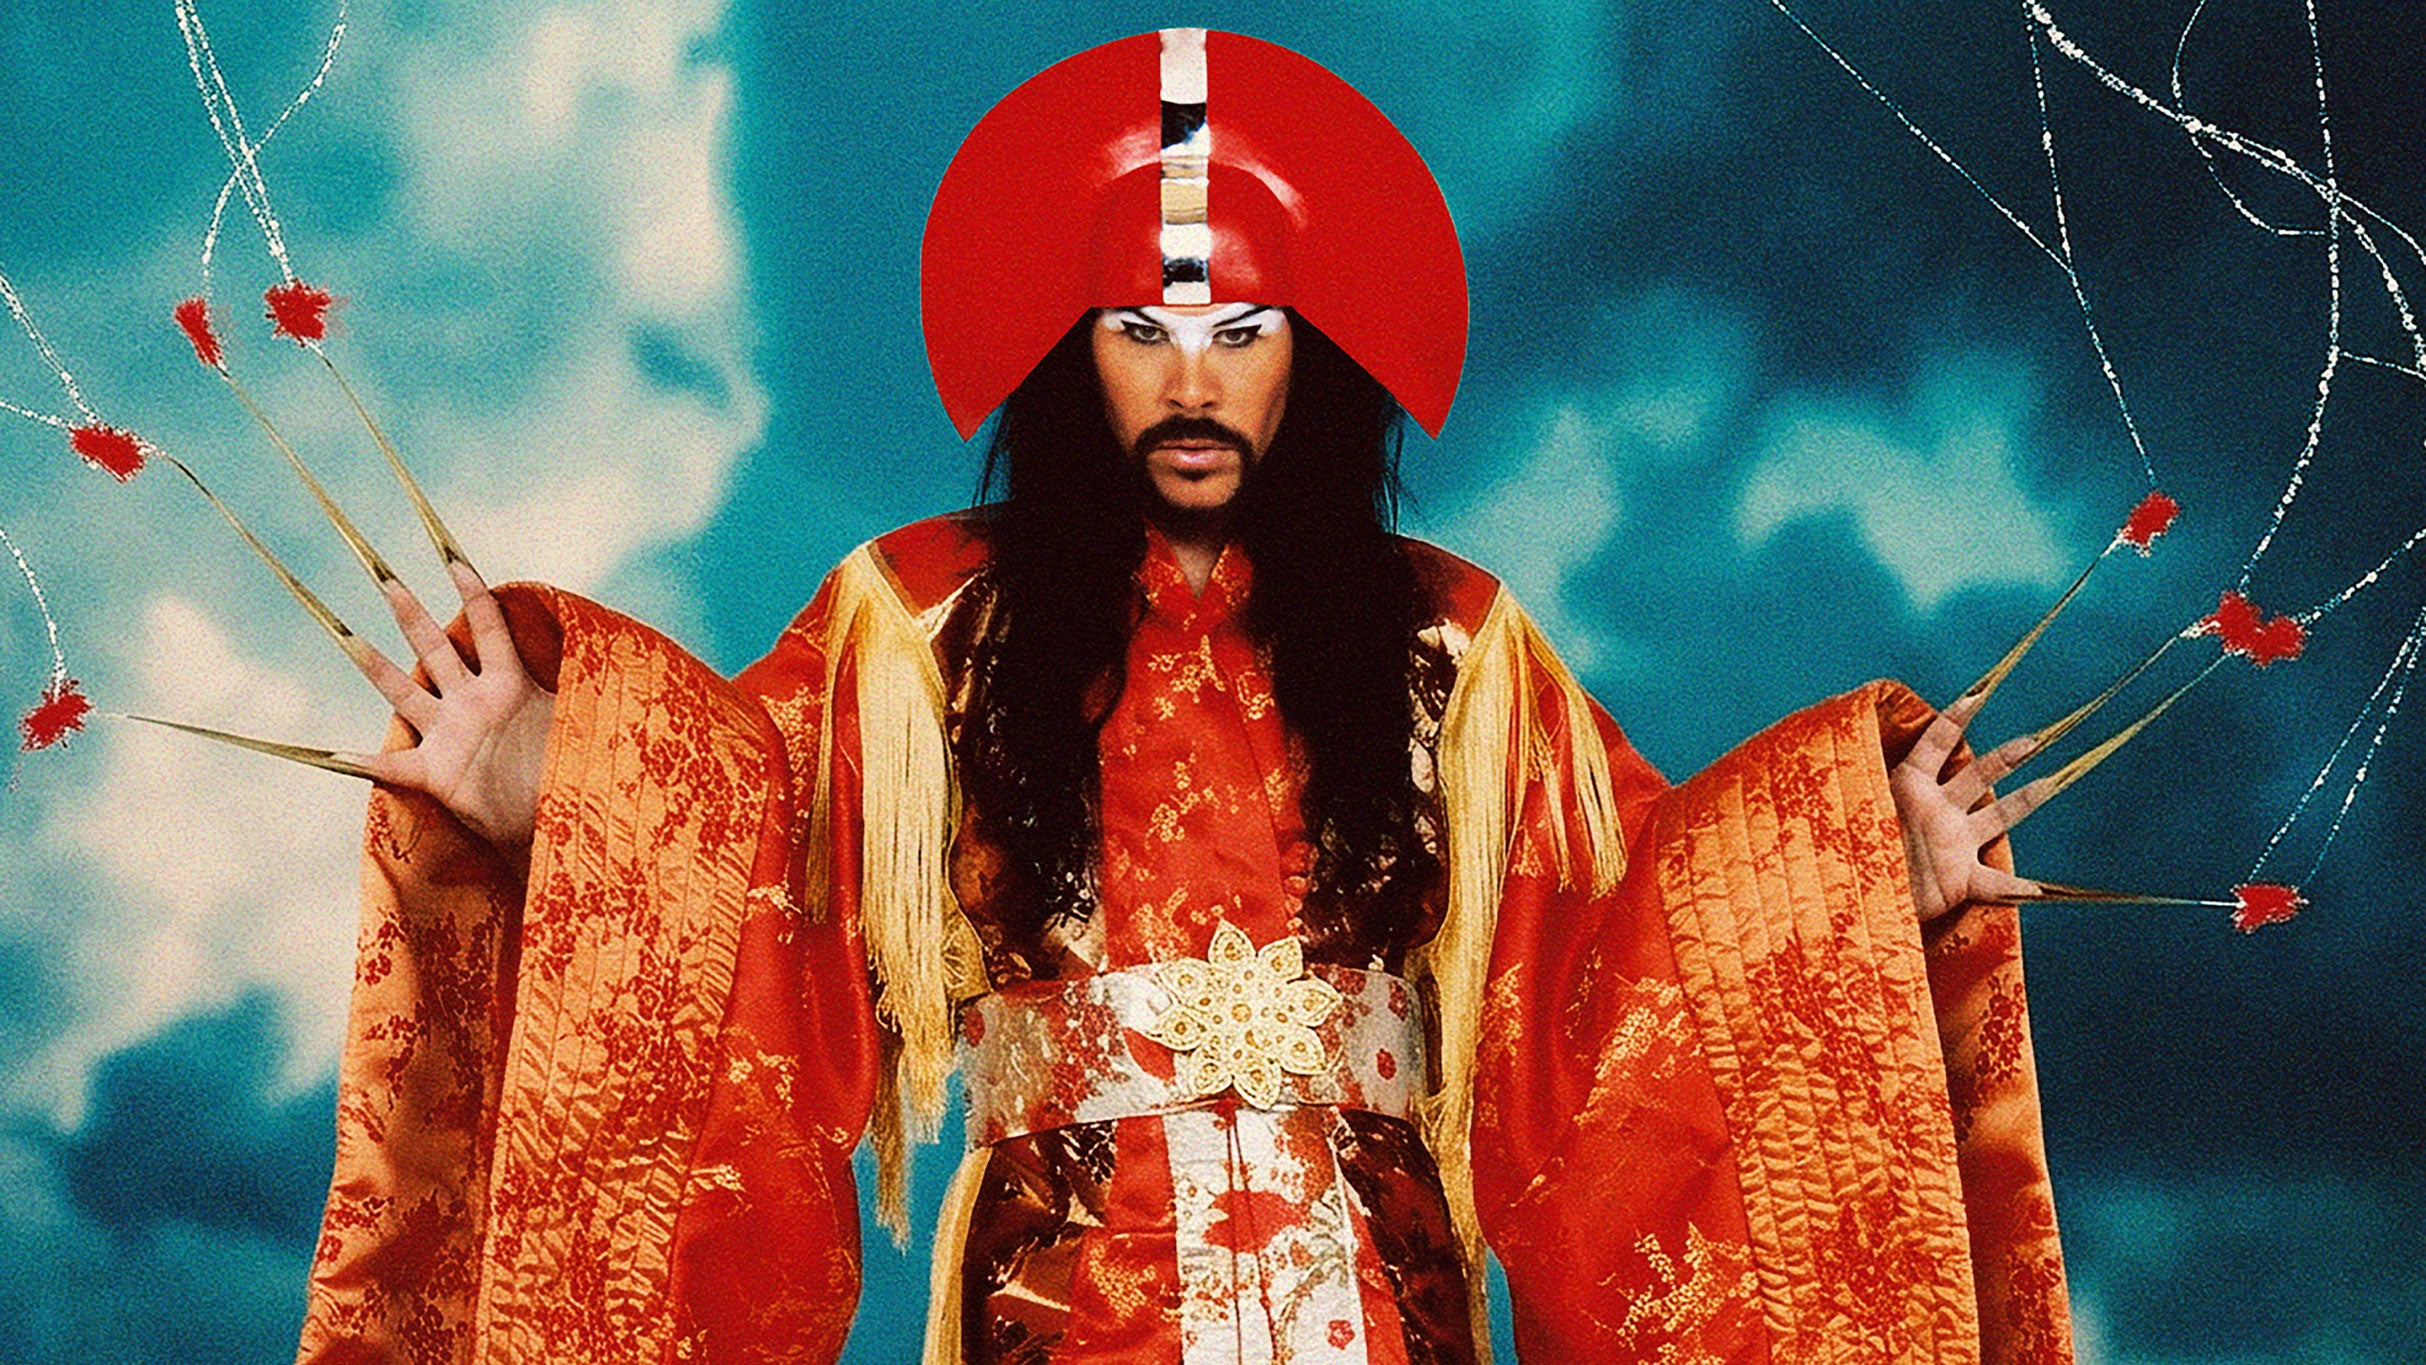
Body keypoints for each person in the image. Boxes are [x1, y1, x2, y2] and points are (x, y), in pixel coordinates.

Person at [292, 30, 2071, 1365]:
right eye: (1144, 330)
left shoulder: (1456, 642)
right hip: (1062, 1289)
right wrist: (554, 782)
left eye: (1241, 332)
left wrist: (1856, 873)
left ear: (1314, 351)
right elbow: (754, 857)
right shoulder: (922, 619)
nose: (1193, 382)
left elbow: (1618, 950)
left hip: (1374, 1282)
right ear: (1078, 351)